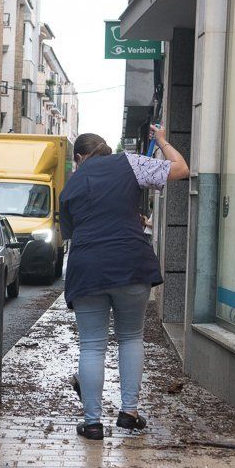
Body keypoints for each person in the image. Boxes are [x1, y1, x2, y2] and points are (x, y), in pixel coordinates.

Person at [60, 125, 189, 440]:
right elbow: (182, 168)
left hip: (88, 268)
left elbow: (71, 234)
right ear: (105, 150)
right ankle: (129, 413)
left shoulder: (71, 186)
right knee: (131, 338)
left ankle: (92, 424)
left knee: (92, 345)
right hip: (131, 263)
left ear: (79, 158)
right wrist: (161, 141)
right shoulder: (130, 163)